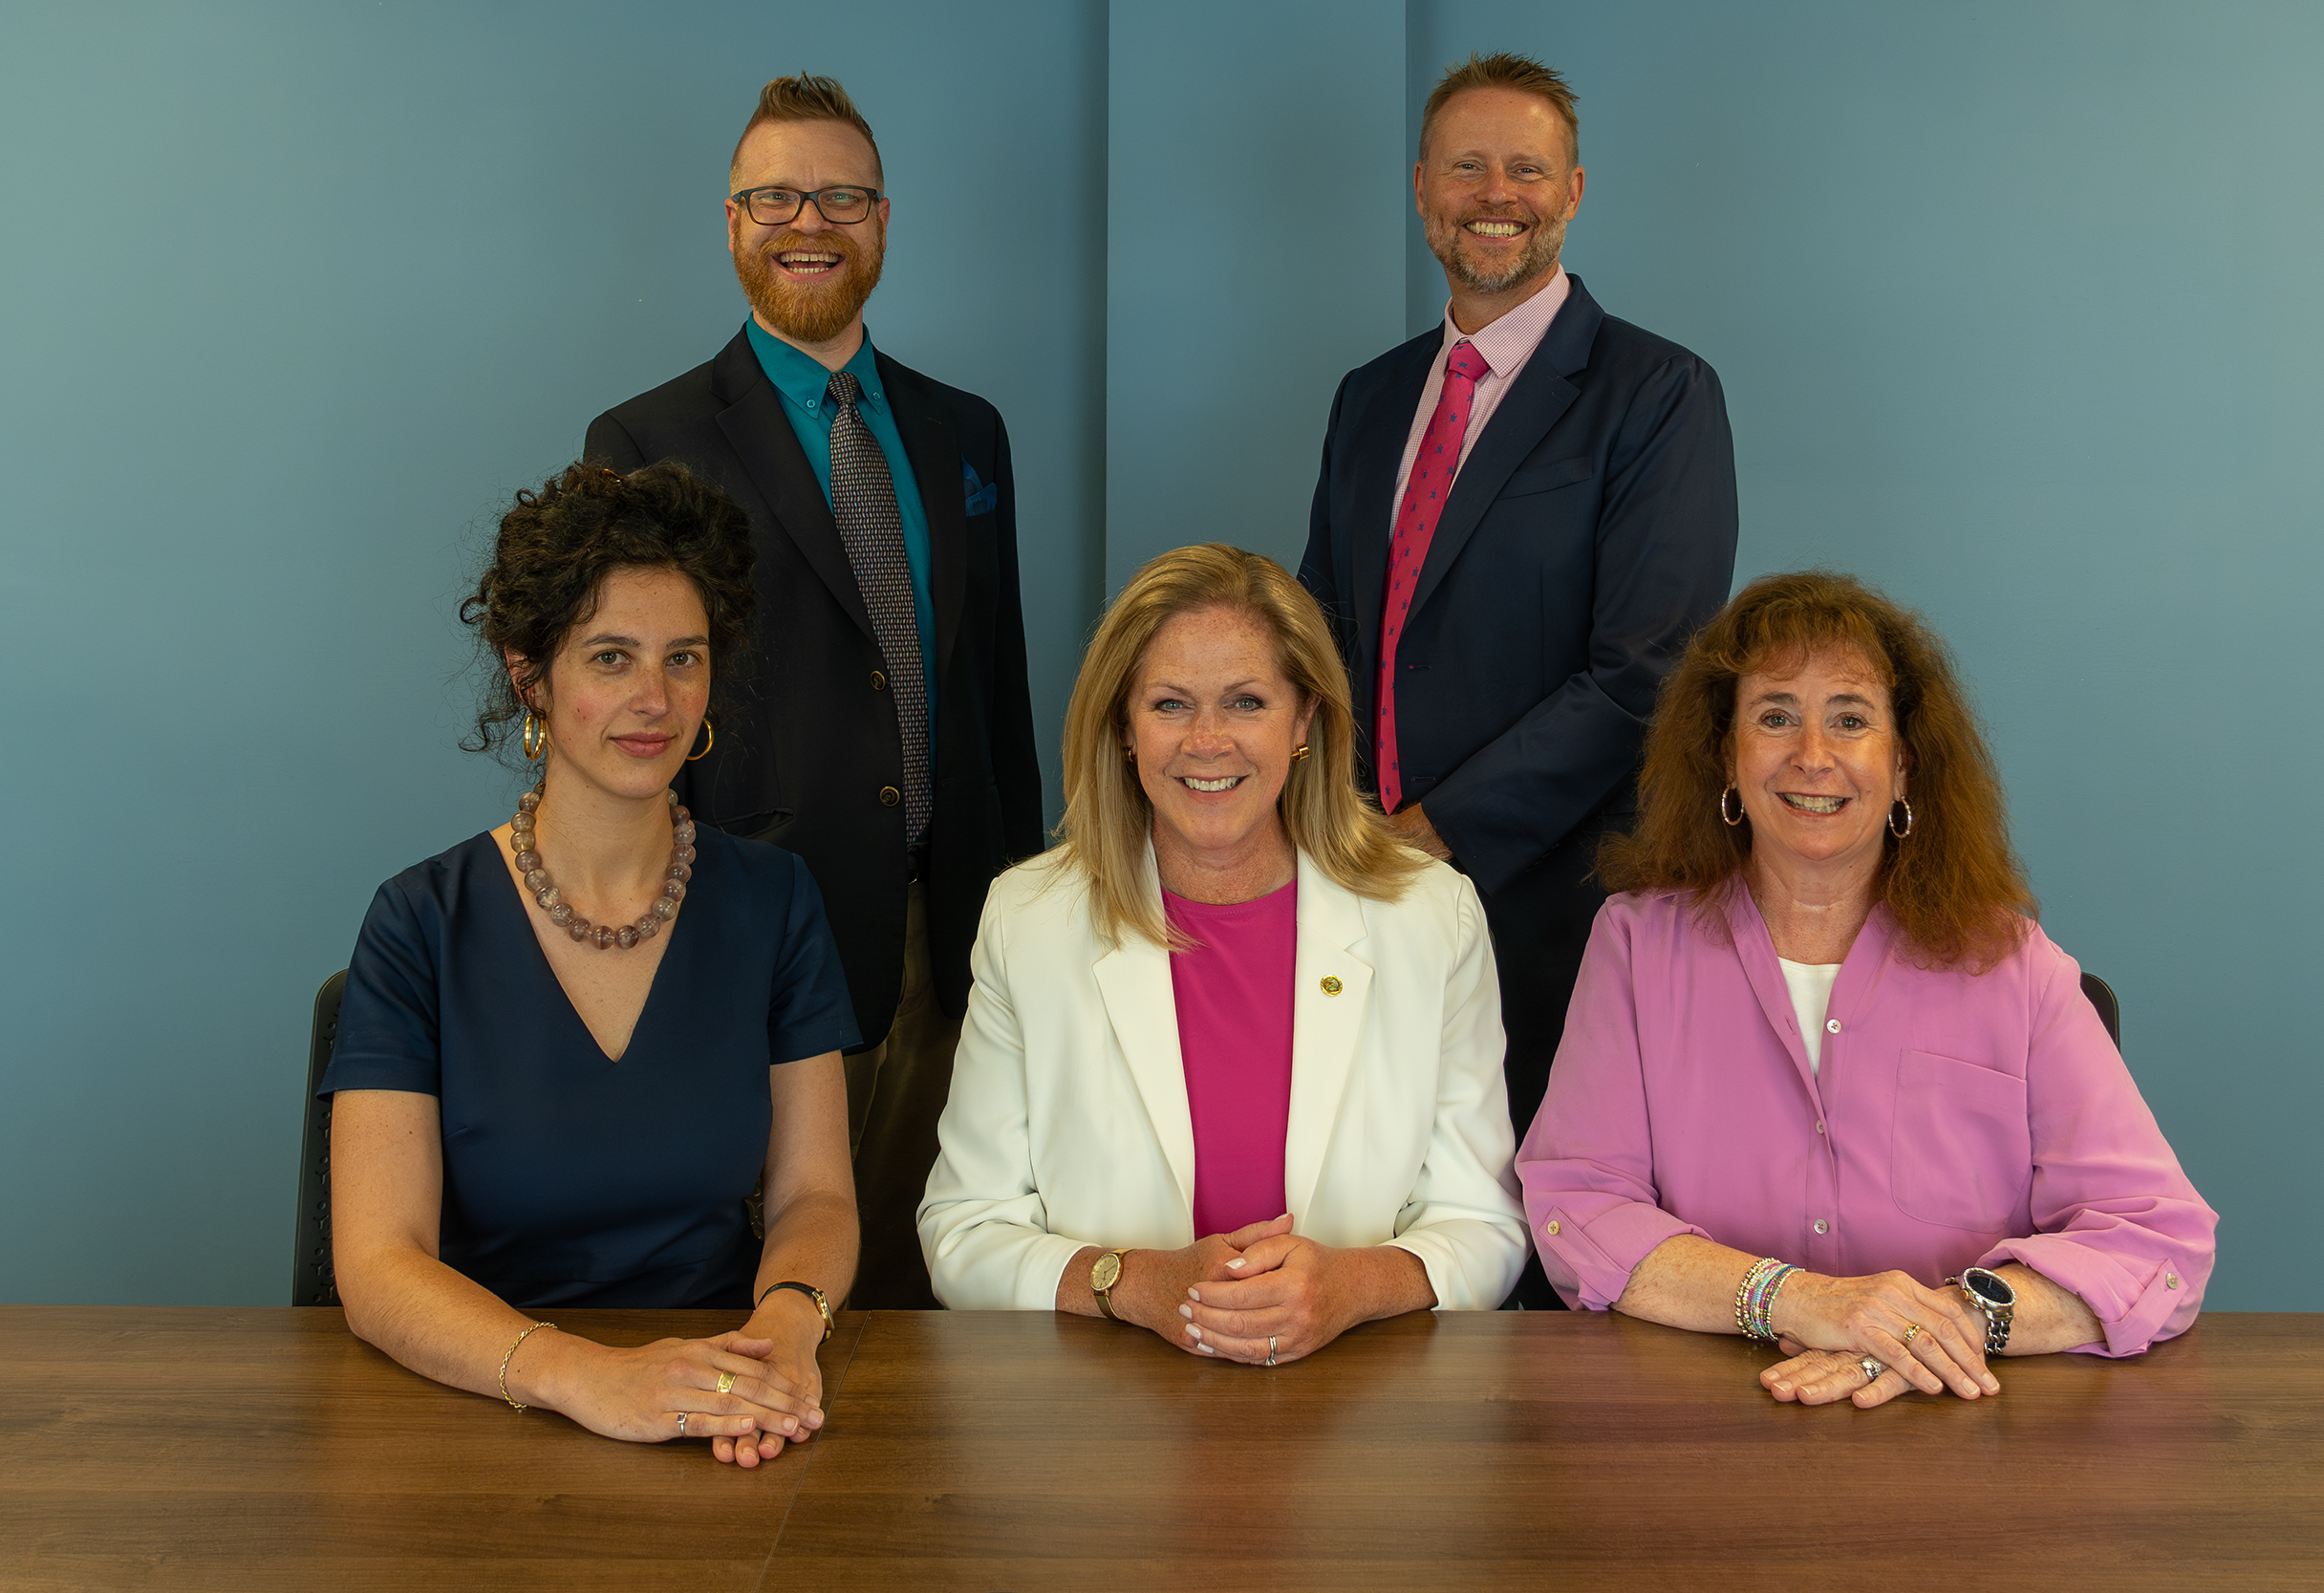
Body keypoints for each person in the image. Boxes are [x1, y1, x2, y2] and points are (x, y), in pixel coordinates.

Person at [1518, 570, 2218, 1408]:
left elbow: (2158, 1239)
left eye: (1850, 718)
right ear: (1726, 758)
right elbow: (1578, 1206)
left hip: (1962, 1423)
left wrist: (1940, 1322)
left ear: (1904, 763)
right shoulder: (1634, 947)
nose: (1814, 754)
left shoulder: (2012, 962)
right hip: (1700, 1425)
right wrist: (1801, 1298)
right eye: (1776, 716)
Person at [582, 75, 1042, 1309]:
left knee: (916, 1273)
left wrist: (1029, 906)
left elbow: (996, 684)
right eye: (777, 194)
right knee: (757, 1274)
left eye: (841, 193)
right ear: (732, 221)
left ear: (882, 218)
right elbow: (627, 721)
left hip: (954, 935)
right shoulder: (646, 442)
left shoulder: (966, 433)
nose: (810, 220)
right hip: (747, 928)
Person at [1297, 53, 1737, 1304]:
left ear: (1575, 191)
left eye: (1526, 167)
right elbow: (1319, 629)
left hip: (1559, 918)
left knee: (1550, 1264)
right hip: (1366, 902)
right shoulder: (1369, 398)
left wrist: (1430, 831)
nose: (1498, 194)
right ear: (1422, 189)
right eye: (1468, 165)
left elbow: (1647, 676)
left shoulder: (1658, 396)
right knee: (1391, 1232)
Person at [324, 462, 863, 1466]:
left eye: (684, 658)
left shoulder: (775, 901)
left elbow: (815, 1198)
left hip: (723, 1389)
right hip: (485, 1400)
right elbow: (375, 1261)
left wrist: (784, 1331)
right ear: (530, 671)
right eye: (610, 657)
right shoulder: (416, 921)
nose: (653, 699)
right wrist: (590, 1377)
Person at [918, 546, 1527, 1360]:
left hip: (1362, 1407)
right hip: (1104, 1411)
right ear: (1123, 727)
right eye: (1170, 704)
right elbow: (963, 1228)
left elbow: (1484, 1222)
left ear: (1304, 719)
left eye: (1246, 701)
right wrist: (1130, 1282)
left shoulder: (1431, 914)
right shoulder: (1029, 919)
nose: (1208, 742)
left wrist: (1347, 1287)